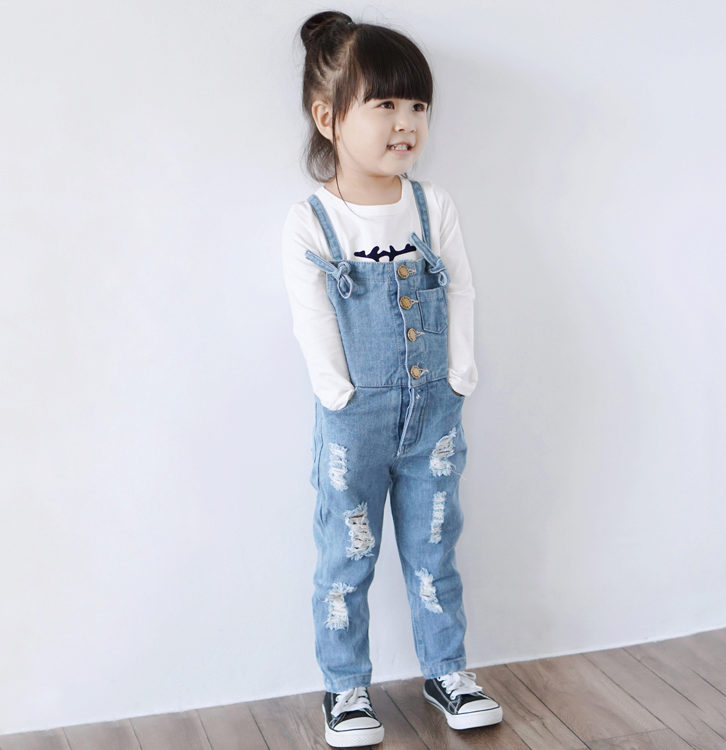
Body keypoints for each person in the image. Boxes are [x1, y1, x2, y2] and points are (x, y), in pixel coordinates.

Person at [281, 10, 503, 747]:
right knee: (347, 558)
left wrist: (460, 373)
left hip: (435, 413)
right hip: (355, 423)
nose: (405, 123)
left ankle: (448, 670)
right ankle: (346, 689)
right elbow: (311, 315)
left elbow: (461, 287)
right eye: (384, 104)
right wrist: (336, 393)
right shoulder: (313, 221)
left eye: (418, 106)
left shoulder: (431, 206)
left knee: (435, 549)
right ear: (329, 118)